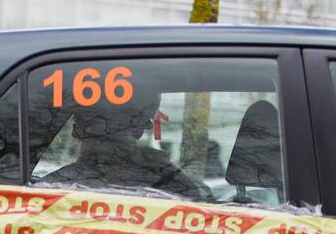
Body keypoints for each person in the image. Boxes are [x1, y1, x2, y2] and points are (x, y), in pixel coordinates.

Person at [44, 82, 211, 200]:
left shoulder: (50, 190)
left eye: (111, 126)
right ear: (143, 127)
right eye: (88, 122)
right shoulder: (181, 189)